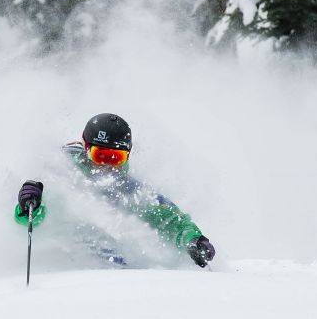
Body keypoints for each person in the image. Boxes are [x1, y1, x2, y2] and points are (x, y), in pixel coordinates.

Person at [13, 113, 215, 268]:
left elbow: (170, 219)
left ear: (127, 156)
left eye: (115, 159)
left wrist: (193, 239)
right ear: (86, 149)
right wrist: (30, 204)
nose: (107, 167)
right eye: (101, 156)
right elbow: (31, 218)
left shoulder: (131, 191)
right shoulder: (62, 171)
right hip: (60, 264)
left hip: (109, 275)